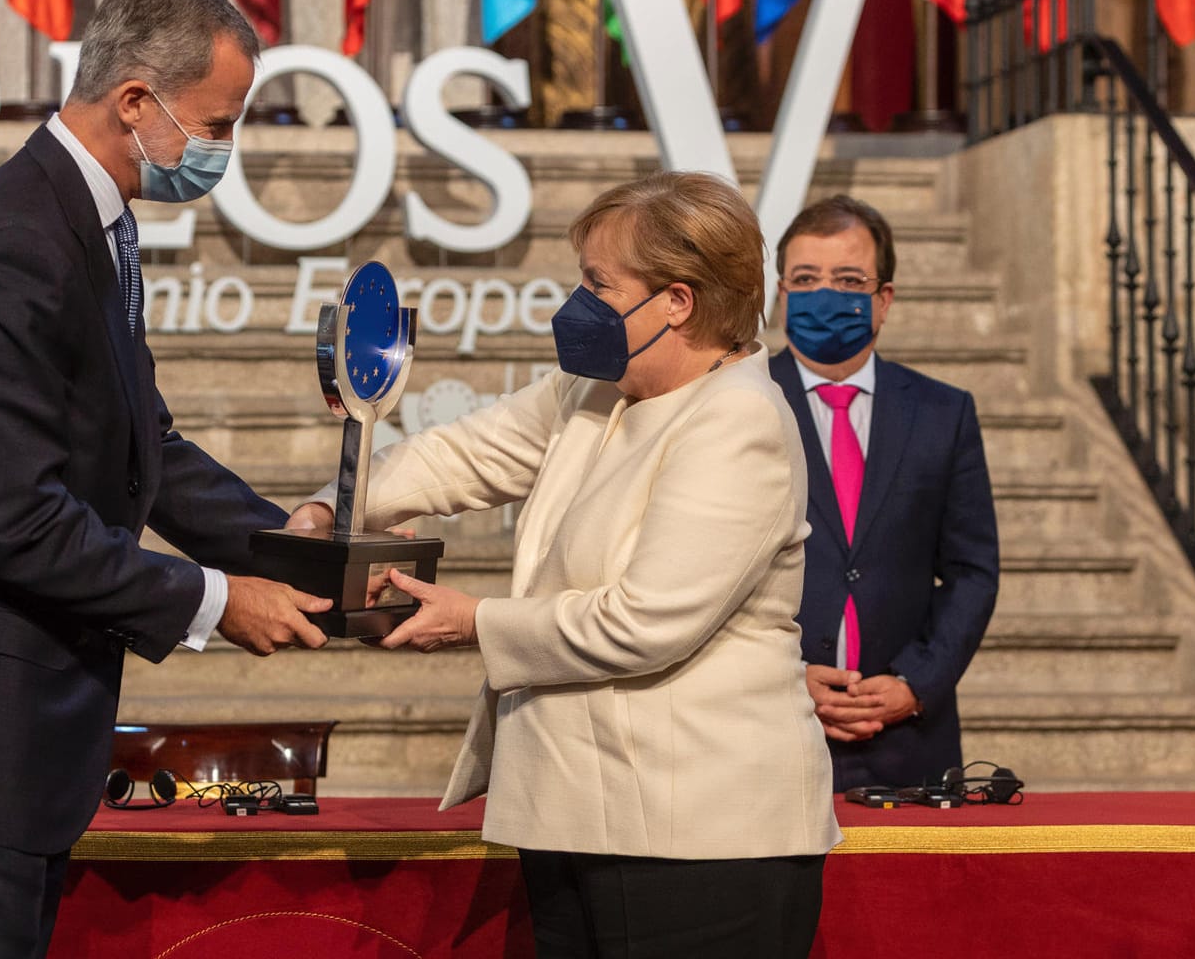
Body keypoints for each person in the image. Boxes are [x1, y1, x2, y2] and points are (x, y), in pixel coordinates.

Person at [0, 0, 332, 958]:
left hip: (8, 745)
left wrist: (284, 543)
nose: (224, 150)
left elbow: (145, 446)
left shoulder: (88, 223)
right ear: (137, 101)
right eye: (217, 124)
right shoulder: (16, 244)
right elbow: (16, 522)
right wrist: (220, 599)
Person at [288, 172, 838, 958]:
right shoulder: (595, 388)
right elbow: (461, 454)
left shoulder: (738, 421)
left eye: (597, 282)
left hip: (699, 839)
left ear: (677, 301)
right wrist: (328, 511)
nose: (575, 302)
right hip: (585, 813)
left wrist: (473, 620)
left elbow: (645, 622)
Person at [766, 194, 998, 791]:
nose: (826, 294)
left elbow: (973, 571)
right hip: (766, 731)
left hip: (908, 741)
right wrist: (782, 679)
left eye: (848, 280)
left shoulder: (944, 412)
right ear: (781, 293)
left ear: (883, 299)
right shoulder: (735, 402)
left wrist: (916, 684)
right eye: (806, 279)